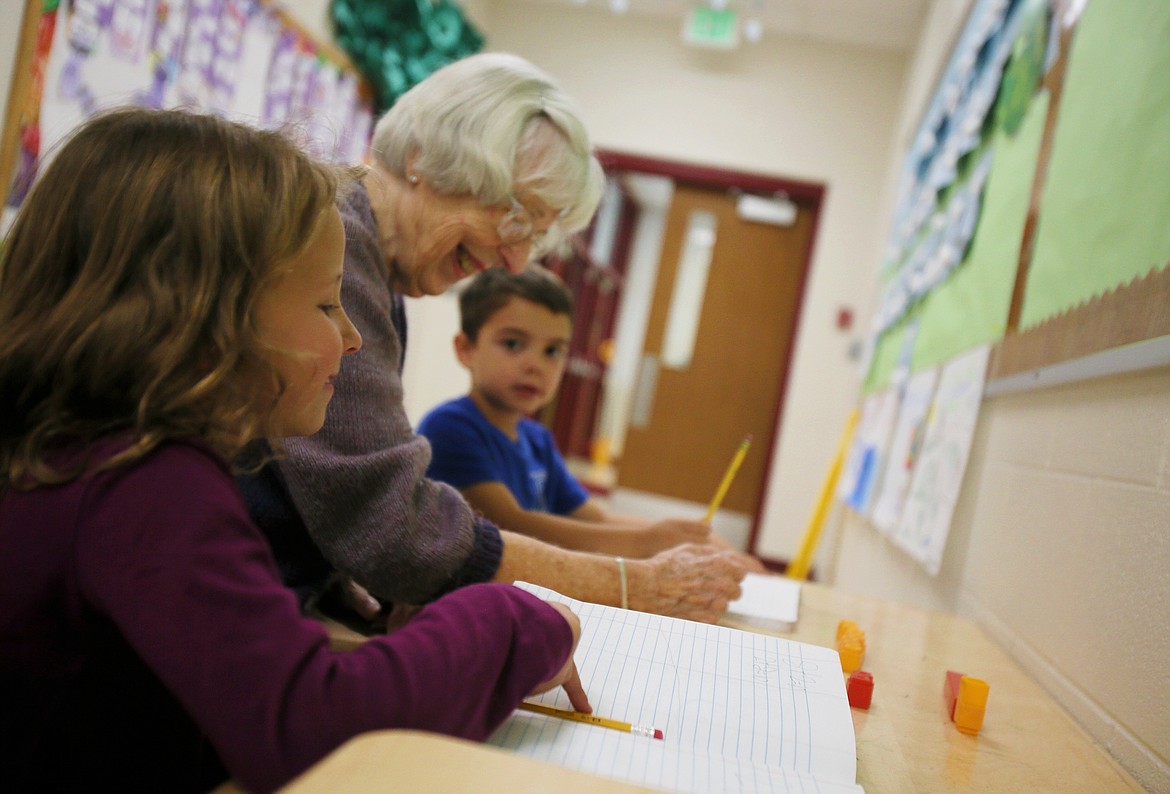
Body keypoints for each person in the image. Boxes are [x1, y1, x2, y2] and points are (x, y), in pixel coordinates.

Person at [0, 107, 588, 793]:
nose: (352, 338)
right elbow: (311, 726)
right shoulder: (145, 483)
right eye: (326, 304)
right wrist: (513, 621)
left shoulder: (72, 443)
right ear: (210, 312)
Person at [241, 52, 754, 627]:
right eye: (516, 219)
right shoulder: (336, 250)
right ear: (422, 159)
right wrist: (632, 585)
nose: (513, 261)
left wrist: (345, 591)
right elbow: (389, 523)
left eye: (533, 238)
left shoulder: (375, 271)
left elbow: (316, 488)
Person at [419, 266, 742, 558]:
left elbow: (596, 518)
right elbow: (512, 526)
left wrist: (687, 536)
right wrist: (646, 542)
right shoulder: (450, 428)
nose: (536, 365)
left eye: (553, 351)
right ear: (466, 349)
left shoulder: (537, 439)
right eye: (514, 344)